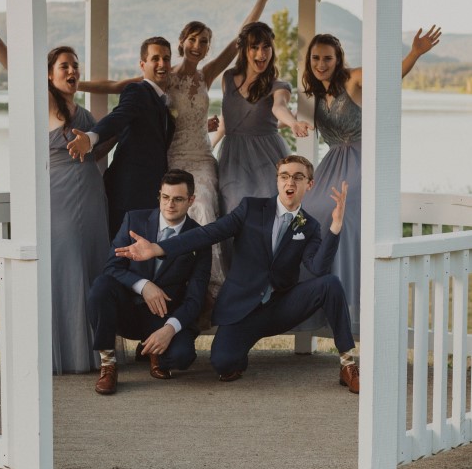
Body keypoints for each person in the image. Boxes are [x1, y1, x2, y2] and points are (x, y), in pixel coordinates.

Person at [79, 0, 286, 304]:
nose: (197, 46)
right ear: (182, 42)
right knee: (181, 212)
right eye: (192, 39)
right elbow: (117, 87)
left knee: (204, 206)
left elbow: (239, 41)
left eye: (204, 41)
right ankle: (186, 286)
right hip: (174, 159)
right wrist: (75, 85)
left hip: (202, 157)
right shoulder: (165, 76)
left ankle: (213, 291)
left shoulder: (208, 74)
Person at [114, 155, 359, 392]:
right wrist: (157, 248)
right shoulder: (250, 208)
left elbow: (318, 268)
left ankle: (347, 364)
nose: (290, 182)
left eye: (298, 177)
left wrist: (335, 227)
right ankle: (236, 354)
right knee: (223, 363)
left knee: (330, 283)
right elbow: (207, 233)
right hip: (242, 310)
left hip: (280, 306)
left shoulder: (310, 226)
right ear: (277, 180)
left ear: (309, 184)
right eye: (284, 176)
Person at [0, 14, 112, 374]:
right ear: (49, 75)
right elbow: (18, 70)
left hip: (91, 198)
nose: (72, 70)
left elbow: (99, 150)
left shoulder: (85, 113)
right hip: (61, 199)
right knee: (68, 266)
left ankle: (97, 353)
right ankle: (69, 355)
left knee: (92, 268)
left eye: (75, 65)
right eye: (64, 66)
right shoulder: (47, 103)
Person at [299, 27, 441, 335]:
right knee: (307, 213)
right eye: (316, 58)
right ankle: (315, 299)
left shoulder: (353, 79)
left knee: (342, 215)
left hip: (362, 159)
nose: (321, 64)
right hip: (332, 163)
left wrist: (414, 53)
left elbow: (390, 78)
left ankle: (351, 297)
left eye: (327, 58)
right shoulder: (314, 93)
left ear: (338, 60)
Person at [88, 169, 212, 395]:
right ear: (159, 196)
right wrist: (143, 285)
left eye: (178, 199)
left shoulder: (199, 237)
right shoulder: (134, 220)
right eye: (165, 197)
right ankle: (108, 364)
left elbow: (195, 297)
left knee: (181, 357)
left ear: (191, 200)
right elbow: (112, 268)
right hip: (127, 311)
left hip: (164, 315)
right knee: (101, 285)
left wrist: (169, 329)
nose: (170, 205)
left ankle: (152, 350)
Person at [66, 37, 175, 238]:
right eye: (155, 58)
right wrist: (90, 138)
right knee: (119, 252)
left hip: (150, 195)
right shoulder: (137, 90)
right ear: (142, 65)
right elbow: (118, 116)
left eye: (166, 59)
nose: (162, 64)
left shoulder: (164, 103)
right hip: (128, 193)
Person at [216, 21, 310, 217]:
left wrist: (293, 123)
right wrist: (208, 146)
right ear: (244, 50)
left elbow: (279, 107)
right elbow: (227, 120)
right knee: (233, 206)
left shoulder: (278, 85)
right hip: (233, 156)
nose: (262, 53)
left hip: (266, 155)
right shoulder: (228, 78)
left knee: (267, 210)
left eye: (266, 46)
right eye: (254, 47)